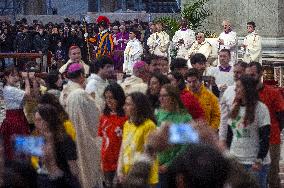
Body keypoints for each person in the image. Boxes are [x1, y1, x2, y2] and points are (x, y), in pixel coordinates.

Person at [220, 75, 271, 188]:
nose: (235, 89)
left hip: (255, 163)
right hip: (236, 160)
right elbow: (230, 135)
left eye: (238, 87)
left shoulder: (261, 109)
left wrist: (259, 159)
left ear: (247, 88)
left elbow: (265, 137)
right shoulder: (234, 108)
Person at [246, 62, 284, 188]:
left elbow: (281, 116)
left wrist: (276, 130)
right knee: (253, 175)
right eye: (248, 75)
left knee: (272, 174)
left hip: (272, 139)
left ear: (261, 74)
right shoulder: (245, 94)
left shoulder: (273, 93)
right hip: (251, 139)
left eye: (253, 74)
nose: (251, 78)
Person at [65, 63, 102, 188]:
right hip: (83, 137)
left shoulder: (64, 92)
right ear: (82, 75)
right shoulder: (80, 94)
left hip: (69, 138)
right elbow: (95, 116)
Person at [117, 92, 158, 187]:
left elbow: (150, 154)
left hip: (143, 176)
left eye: (128, 104)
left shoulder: (148, 125)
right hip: (128, 173)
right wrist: (119, 171)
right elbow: (123, 148)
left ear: (138, 106)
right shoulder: (127, 124)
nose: (124, 107)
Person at [34, 104, 80, 187]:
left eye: (39, 120)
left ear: (48, 120)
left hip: (62, 182)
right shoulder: (40, 139)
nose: (36, 124)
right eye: (35, 120)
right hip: (44, 181)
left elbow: (73, 169)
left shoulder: (64, 140)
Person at [155, 84, 192, 188]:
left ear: (173, 97)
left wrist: (169, 164)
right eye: (160, 95)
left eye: (164, 96)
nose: (160, 99)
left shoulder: (184, 118)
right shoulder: (159, 114)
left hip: (175, 168)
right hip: (157, 165)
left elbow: (186, 147)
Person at [98, 83, 127, 188]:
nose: (108, 101)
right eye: (106, 98)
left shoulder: (126, 118)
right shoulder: (104, 117)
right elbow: (102, 139)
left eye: (111, 97)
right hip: (106, 160)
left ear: (119, 98)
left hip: (121, 160)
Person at [0, 68, 33, 160]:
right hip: (15, 119)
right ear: (6, 77)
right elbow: (27, 94)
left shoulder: (11, 88)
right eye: (12, 75)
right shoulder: (9, 89)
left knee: (18, 145)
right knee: (18, 146)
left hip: (17, 116)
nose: (16, 78)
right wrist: (26, 79)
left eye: (17, 75)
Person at [219, 61, 248, 147]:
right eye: (234, 72)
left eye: (239, 72)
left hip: (248, 132)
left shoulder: (252, 91)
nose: (235, 74)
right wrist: (222, 138)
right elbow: (224, 118)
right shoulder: (228, 91)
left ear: (246, 73)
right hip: (231, 132)